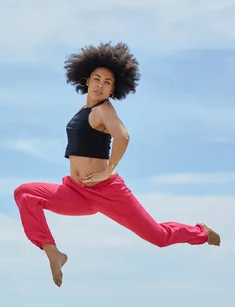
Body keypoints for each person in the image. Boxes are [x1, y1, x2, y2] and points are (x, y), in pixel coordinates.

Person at [13, 42, 221, 287]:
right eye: (97, 79)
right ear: (86, 80)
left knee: (158, 237)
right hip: (76, 191)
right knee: (25, 193)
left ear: (113, 90)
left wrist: (108, 170)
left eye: (108, 82)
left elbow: (122, 136)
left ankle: (201, 233)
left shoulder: (105, 109)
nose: (101, 85)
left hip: (108, 191)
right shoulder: (82, 110)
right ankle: (52, 252)